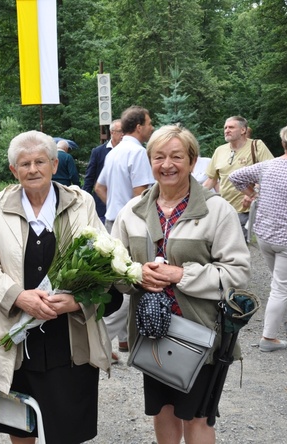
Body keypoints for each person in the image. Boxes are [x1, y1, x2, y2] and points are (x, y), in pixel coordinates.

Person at [111, 125, 250, 444]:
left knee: (198, 419)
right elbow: (113, 269)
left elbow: (238, 272)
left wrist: (181, 275)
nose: (167, 164)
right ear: (150, 161)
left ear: (192, 161)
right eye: (159, 156)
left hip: (201, 334)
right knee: (163, 412)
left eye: (176, 156)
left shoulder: (216, 211)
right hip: (153, 334)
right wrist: (136, 274)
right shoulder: (131, 212)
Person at [0, 130, 112, 443]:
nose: (32, 169)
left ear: (54, 164)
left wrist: (77, 301)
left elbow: (105, 260)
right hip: (17, 340)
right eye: (24, 164)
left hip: (69, 339)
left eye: (40, 161)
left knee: (67, 431)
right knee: (20, 427)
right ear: (13, 170)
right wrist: (19, 296)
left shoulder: (81, 204)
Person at [229, 123, 287, 352]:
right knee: (280, 287)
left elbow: (235, 177)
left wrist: (252, 194)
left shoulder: (268, 166)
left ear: (283, 143)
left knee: (278, 282)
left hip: (265, 235)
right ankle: (269, 338)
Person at [95, 106, 156, 354]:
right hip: (134, 227)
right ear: (139, 126)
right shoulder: (138, 153)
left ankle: (123, 340)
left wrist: (116, 210)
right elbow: (141, 194)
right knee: (132, 283)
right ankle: (100, 342)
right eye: (150, 123)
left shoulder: (114, 151)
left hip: (113, 222)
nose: (152, 127)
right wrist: (130, 215)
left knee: (117, 280)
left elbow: (99, 187)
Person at [202, 116, 274, 238]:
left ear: (243, 130)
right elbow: (211, 180)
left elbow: (271, 173)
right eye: (225, 127)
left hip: (247, 209)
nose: (226, 130)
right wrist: (196, 196)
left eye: (231, 127)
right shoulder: (220, 150)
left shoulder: (257, 146)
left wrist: (253, 192)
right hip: (224, 209)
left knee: (239, 246)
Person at [83, 119, 124, 222]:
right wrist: (84, 200)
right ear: (112, 132)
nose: (123, 135)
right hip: (102, 204)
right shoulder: (98, 152)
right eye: (120, 131)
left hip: (123, 202)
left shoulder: (128, 152)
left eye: (125, 131)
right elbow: (90, 177)